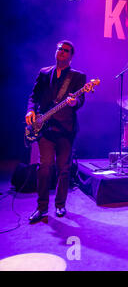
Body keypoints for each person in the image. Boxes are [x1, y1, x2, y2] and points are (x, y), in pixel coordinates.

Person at [25, 40, 87, 223]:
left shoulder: (77, 76)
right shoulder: (44, 73)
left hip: (66, 130)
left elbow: (81, 100)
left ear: (71, 56)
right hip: (44, 127)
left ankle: (60, 205)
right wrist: (31, 110)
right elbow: (34, 96)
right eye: (59, 49)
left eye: (66, 51)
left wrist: (75, 102)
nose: (61, 52)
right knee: (44, 167)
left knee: (64, 169)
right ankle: (41, 208)